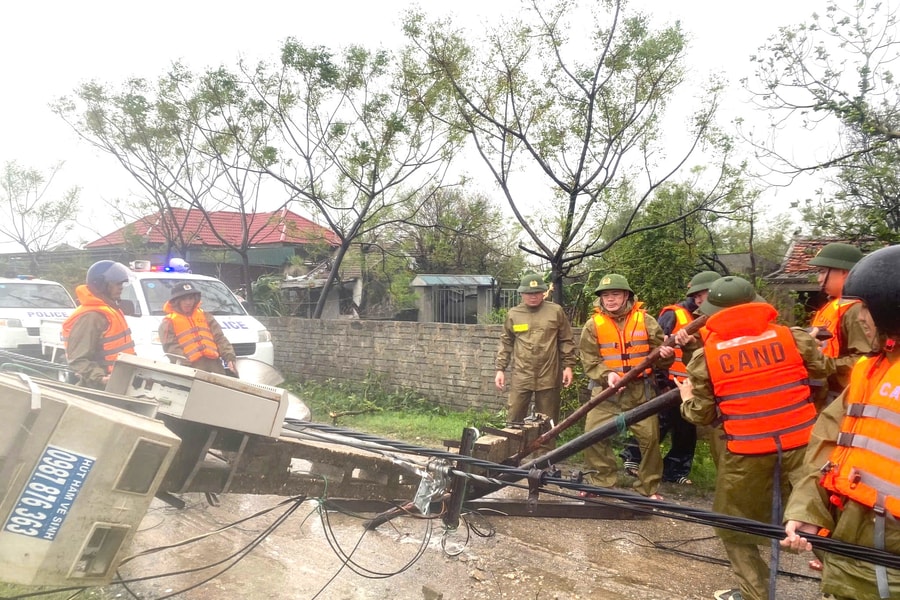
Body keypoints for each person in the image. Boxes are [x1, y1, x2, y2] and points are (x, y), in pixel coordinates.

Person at [674, 276, 829, 600]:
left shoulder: (706, 357)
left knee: (733, 526)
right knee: (822, 521)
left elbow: (701, 415)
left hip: (746, 452)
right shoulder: (792, 337)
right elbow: (823, 370)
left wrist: (686, 396)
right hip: (804, 447)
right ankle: (850, 588)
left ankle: (755, 593)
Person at [781, 245, 900, 600]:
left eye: (864, 308)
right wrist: (808, 509)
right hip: (856, 543)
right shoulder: (871, 371)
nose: (859, 318)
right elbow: (829, 445)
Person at [620, 270, 722, 484]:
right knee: (657, 422)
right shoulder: (674, 314)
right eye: (695, 295)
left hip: (695, 385)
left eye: (701, 294)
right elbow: (659, 348)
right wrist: (662, 380)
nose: (698, 299)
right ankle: (632, 457)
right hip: (670, 382)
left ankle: (675, 471)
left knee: (687, 429)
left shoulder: (715, 316)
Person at [579, 274, 675, 499]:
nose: (610, 299)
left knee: (650, 439)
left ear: (627, 296)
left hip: (640, 392)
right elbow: (589, 360)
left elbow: (661, 358)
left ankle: (647, 488)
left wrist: (666, 355)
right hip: (605, 393)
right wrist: (607, 375)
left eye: (615, 294)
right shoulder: (593, 325)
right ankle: (602, 482)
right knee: (592, 435)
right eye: (605, 295)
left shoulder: (646, 320)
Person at [495, 273, 576, 426]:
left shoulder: (555, 311)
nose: (533, 296)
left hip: (548, 375)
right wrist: (500, 369)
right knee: (514, 419)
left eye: (537, 292)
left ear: (543, 293)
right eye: (529, 293)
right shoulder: (513, 314)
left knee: (547, 422)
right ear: (522, 294)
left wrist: (568, 367)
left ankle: (545, 451)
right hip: (521, 375)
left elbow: (566, 340)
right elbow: (506, 343)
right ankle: (514, 450)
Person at [807, 242, 871, 410]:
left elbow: (866, 359)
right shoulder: (833, 304)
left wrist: (824, 364)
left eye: (822, 272)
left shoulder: (856, 310)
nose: (819, 279)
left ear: (844, 272)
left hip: (844, 395)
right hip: (826, 391)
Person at [62, 260, 136, 389]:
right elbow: (77, 359)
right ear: (101, 285)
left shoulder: (111, 310)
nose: (121, 287)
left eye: (122, 283)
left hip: (118, 381)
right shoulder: (92, 316)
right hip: (100, 386)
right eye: (116, 283)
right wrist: (100, 378)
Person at [159, 282, 239, 377]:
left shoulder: (206, 316)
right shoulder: (168, 322)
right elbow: (170, 346)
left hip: (214, 366)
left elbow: (220, 338)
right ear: (177, 301)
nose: (188, 302)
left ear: (195, 299)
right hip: (188, 368)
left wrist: (229, 357)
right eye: (184, 299)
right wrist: (183, 360)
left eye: (191, 298)